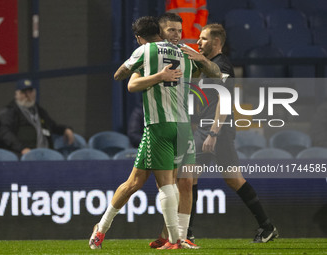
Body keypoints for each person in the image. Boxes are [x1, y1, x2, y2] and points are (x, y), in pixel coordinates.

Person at [89, 16, 198, 250]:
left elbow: (120, 76)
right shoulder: (184, 51)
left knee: (152, 183)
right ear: (161, 31)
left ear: (139, 38)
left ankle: (174, 239)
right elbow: (206, 71)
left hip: (158, 125)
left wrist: (144, 71)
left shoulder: (145, 51)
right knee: (145, 182)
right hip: (182, 125)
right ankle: (173, 238)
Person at [186, 23, 278, 243]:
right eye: (199, 38)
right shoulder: (210, 66)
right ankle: (266, 227)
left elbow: (224, 103)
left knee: (220, 179)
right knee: (196, 178)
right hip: (207, 130)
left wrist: (213, 133)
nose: (198, 42)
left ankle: (186, 233)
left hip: (218, 132)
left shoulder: (223, 67)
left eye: (204, 39)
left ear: (217, 42)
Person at [0, 79, 74, 156]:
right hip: (23, 154)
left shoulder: (38, 110)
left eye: (30, 92)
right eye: (24, 93)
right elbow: (5, 133)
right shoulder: (10, 111)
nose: (27, 96)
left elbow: (52, 126)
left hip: (45, 153)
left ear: (34, 93)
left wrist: (65, 129)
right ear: (17, 94)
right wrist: (22, 148)